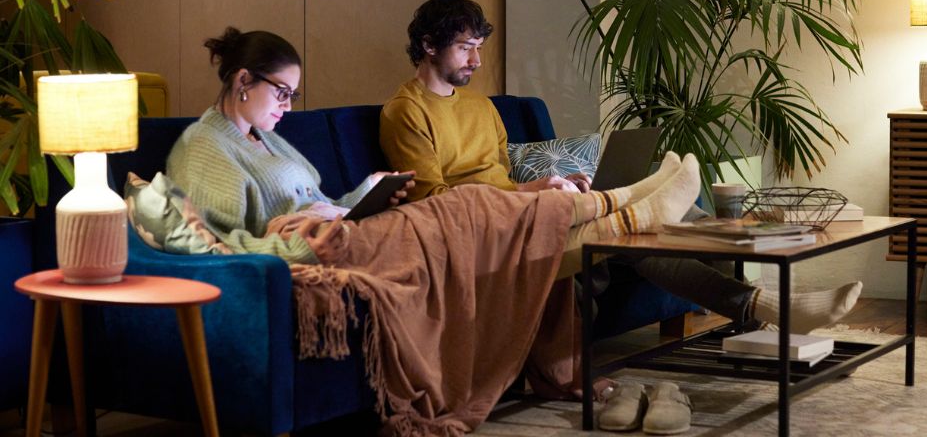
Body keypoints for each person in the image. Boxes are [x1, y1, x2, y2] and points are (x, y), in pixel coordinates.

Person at [167, 26, 702, 436]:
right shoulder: (204, 149)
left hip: (347, 231)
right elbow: (219, 244)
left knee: (486, 215)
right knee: (469, 203)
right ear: (242, 81)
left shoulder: (267, 139)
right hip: (316, 252)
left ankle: (627, 207)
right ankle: (626, 206)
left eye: (292, 96)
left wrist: (362, 194)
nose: (288, 106)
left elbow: (322, 203)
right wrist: (302, 233)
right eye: (282, 93)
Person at [380, 0, 863, 335]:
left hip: (520, 211)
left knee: (628, 235)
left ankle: (758, 297)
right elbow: (432, 202)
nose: (476, 62)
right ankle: (670, 207)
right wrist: (529, 194)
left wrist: (557, 183)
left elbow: (501, 176)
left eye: (479, 49)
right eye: (465, 48)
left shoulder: (482, 107)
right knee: (631, 222)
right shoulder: (406, 111)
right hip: (474, 225)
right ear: (428, 45)